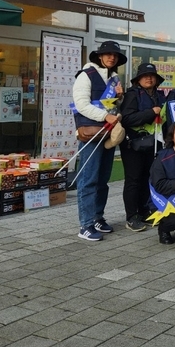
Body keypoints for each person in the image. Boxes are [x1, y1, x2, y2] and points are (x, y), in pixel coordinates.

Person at [72, 40, 126, 241]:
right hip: (91, 134)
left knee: (103, 179)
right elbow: (81, 105)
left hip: (108, 133)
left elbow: (110, 106)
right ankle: (85, 225)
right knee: (89, 179)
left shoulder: (113, 78)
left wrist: (119, 98)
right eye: (108, 54)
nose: (112, 57)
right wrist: (105, 117)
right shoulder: (86, 75)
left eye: (115, 55)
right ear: (100, 56)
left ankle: (97, 218)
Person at [119, 63, 167, 233]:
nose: (149, 78)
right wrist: (151, 112)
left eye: (152, 75)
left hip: (153, 144)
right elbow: (126, 119)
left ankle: (144, 211)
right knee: (133, 180)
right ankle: (131, 217)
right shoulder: (132, 95)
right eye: (145, 75)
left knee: (147, 177)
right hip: (133, 145)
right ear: (138, 79)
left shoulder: (160, 96)